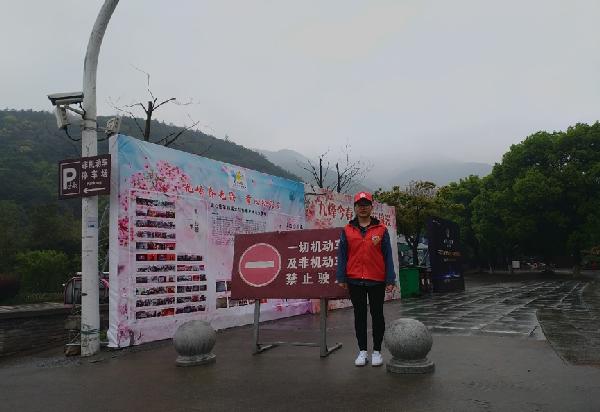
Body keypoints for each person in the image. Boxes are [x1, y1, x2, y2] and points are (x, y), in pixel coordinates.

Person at [336, 191, 396, 366]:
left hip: (376, 280)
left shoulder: (381, 229)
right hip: (355, 280)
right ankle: (362, 351)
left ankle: (377, 351)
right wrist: (341, 277)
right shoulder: (347, 230)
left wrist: (390, 279)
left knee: (377, 315)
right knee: (359, 316)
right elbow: (342, 255)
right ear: (355, 208)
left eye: (366, 205)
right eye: (359, 205)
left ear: (371, 207)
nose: (363, 208)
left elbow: (388, 255)